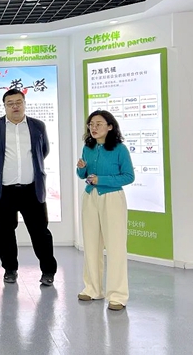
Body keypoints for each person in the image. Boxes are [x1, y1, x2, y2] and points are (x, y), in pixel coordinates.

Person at [0, 88, 58, 286]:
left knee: (40, 232)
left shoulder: (37, 126)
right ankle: (10, 269)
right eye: (10, 103)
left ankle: (48, 270)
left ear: (24, 103)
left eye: (18, 102)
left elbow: (43, 151)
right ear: (4, 106)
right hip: (3, 190)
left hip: (31, 189)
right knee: (4, 233)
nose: (15, 106)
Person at [76, 110, 134, 311]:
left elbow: (128, 176)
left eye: (99, 124)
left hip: (112, 198)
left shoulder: (120, 149)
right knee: (91, 244)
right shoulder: (88, 147)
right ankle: (93, 289)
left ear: (110, 126)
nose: (93, 127)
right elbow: (83, 175)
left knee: (115, 246)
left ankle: (117, 295)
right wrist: (81, 169)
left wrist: (102, 180)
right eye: (91, 124)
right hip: (90, 197)